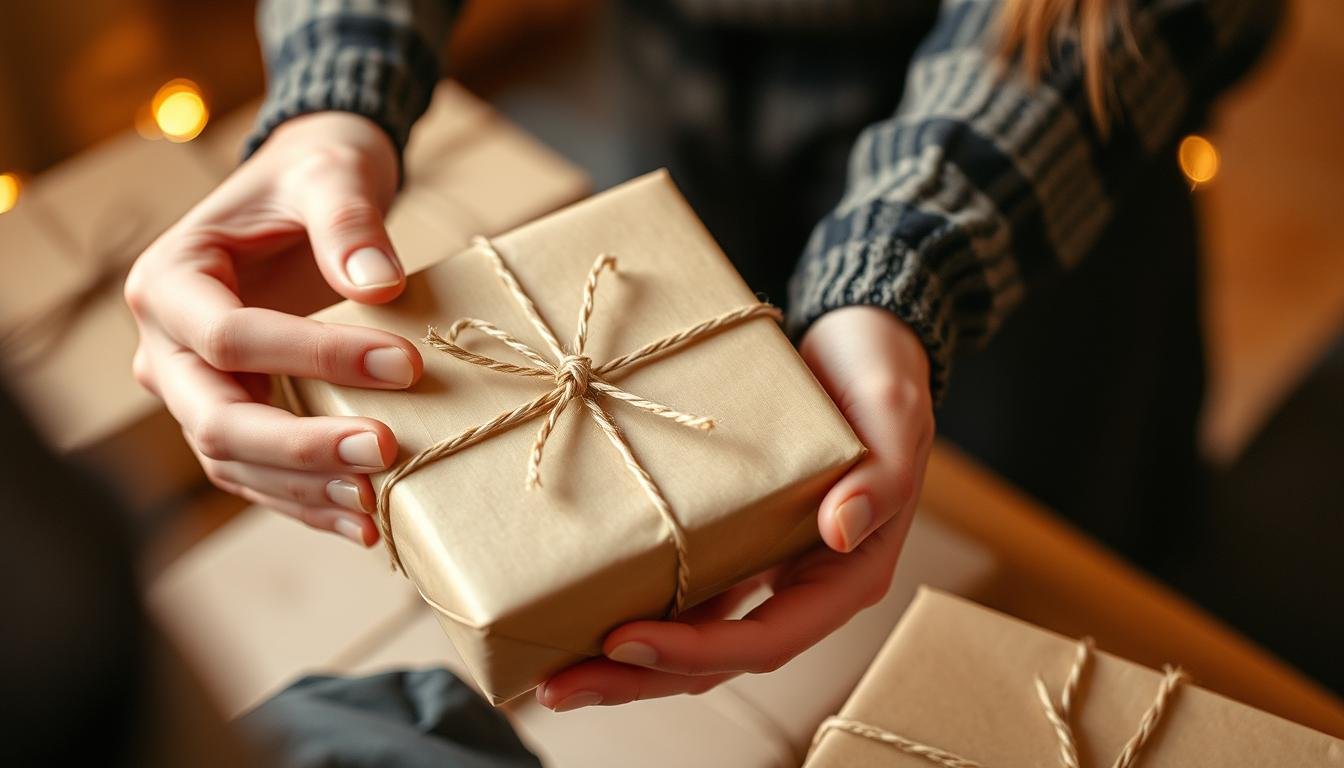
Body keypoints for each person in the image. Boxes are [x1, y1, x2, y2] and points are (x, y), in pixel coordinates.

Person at [124, 0, 1278, 717]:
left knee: (1076, 582)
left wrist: (906, 269)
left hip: (1044, 121)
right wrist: (336, 92)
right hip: (682, 64)